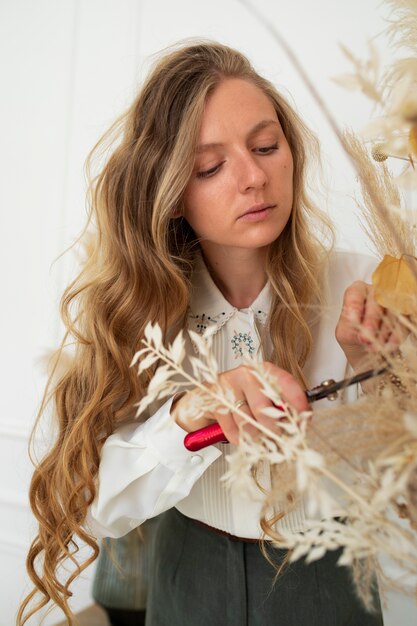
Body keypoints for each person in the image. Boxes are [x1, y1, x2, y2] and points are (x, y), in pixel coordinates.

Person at [19, 41, 395, 626]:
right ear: (169, 195)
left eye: (266, 147)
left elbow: (400, 488)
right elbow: (96, 507)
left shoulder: (365, 284)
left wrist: (378, 377)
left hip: (328, 580)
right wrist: (187, 418)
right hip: (183, 576)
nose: (253, 178)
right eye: (209, 167)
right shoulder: (135, 315)